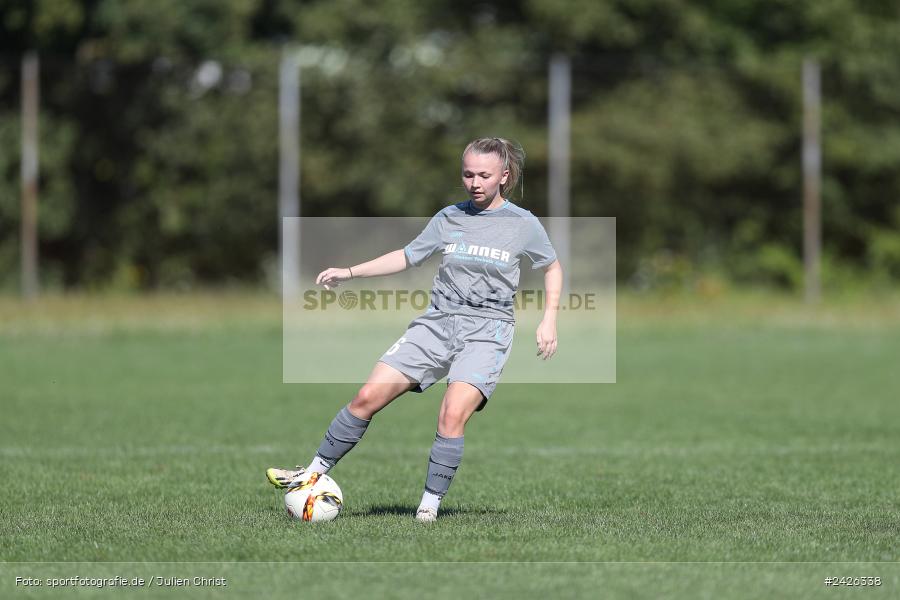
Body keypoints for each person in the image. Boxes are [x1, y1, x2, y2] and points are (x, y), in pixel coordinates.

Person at [267, 137, 563, 522]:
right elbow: (407, 256)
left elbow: (551, 267)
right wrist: (350, 271)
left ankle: (428, 508)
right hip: (437, 324)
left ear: (504, 176)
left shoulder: (524, 225)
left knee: (451, 415)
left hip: (487, 331)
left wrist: (549, 318)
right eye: (468, 173)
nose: (474, 182)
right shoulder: (449, 217)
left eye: (484, 175)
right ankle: (311, 473)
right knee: (366, 397)